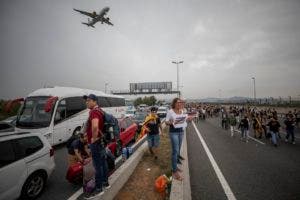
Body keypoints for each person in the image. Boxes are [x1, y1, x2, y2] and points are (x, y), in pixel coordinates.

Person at [84, 94, 109, 199]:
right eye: (86, 100)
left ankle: (99, 189)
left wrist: (93, 139)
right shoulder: (100, 110)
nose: (86, 102)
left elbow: (95, 126)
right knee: (103, 163)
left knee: (97, 166)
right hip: (101, 142)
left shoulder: (94, 112)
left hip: (97, 143)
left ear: (94, 101)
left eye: (89, 100)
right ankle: (105, 183)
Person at [165, 98, 187, 181]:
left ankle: (175, 167)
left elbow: (184, 120)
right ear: (174, 103)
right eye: (178, 102)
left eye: (180, 103)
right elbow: (166, 122)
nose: (179, 104)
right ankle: (174, 171)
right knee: (175, 151)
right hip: (173, 133)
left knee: (178, 151)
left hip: (181, 132)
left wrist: (188, 119)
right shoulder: (170, 111)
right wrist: (170, 122)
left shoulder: (182, 111)